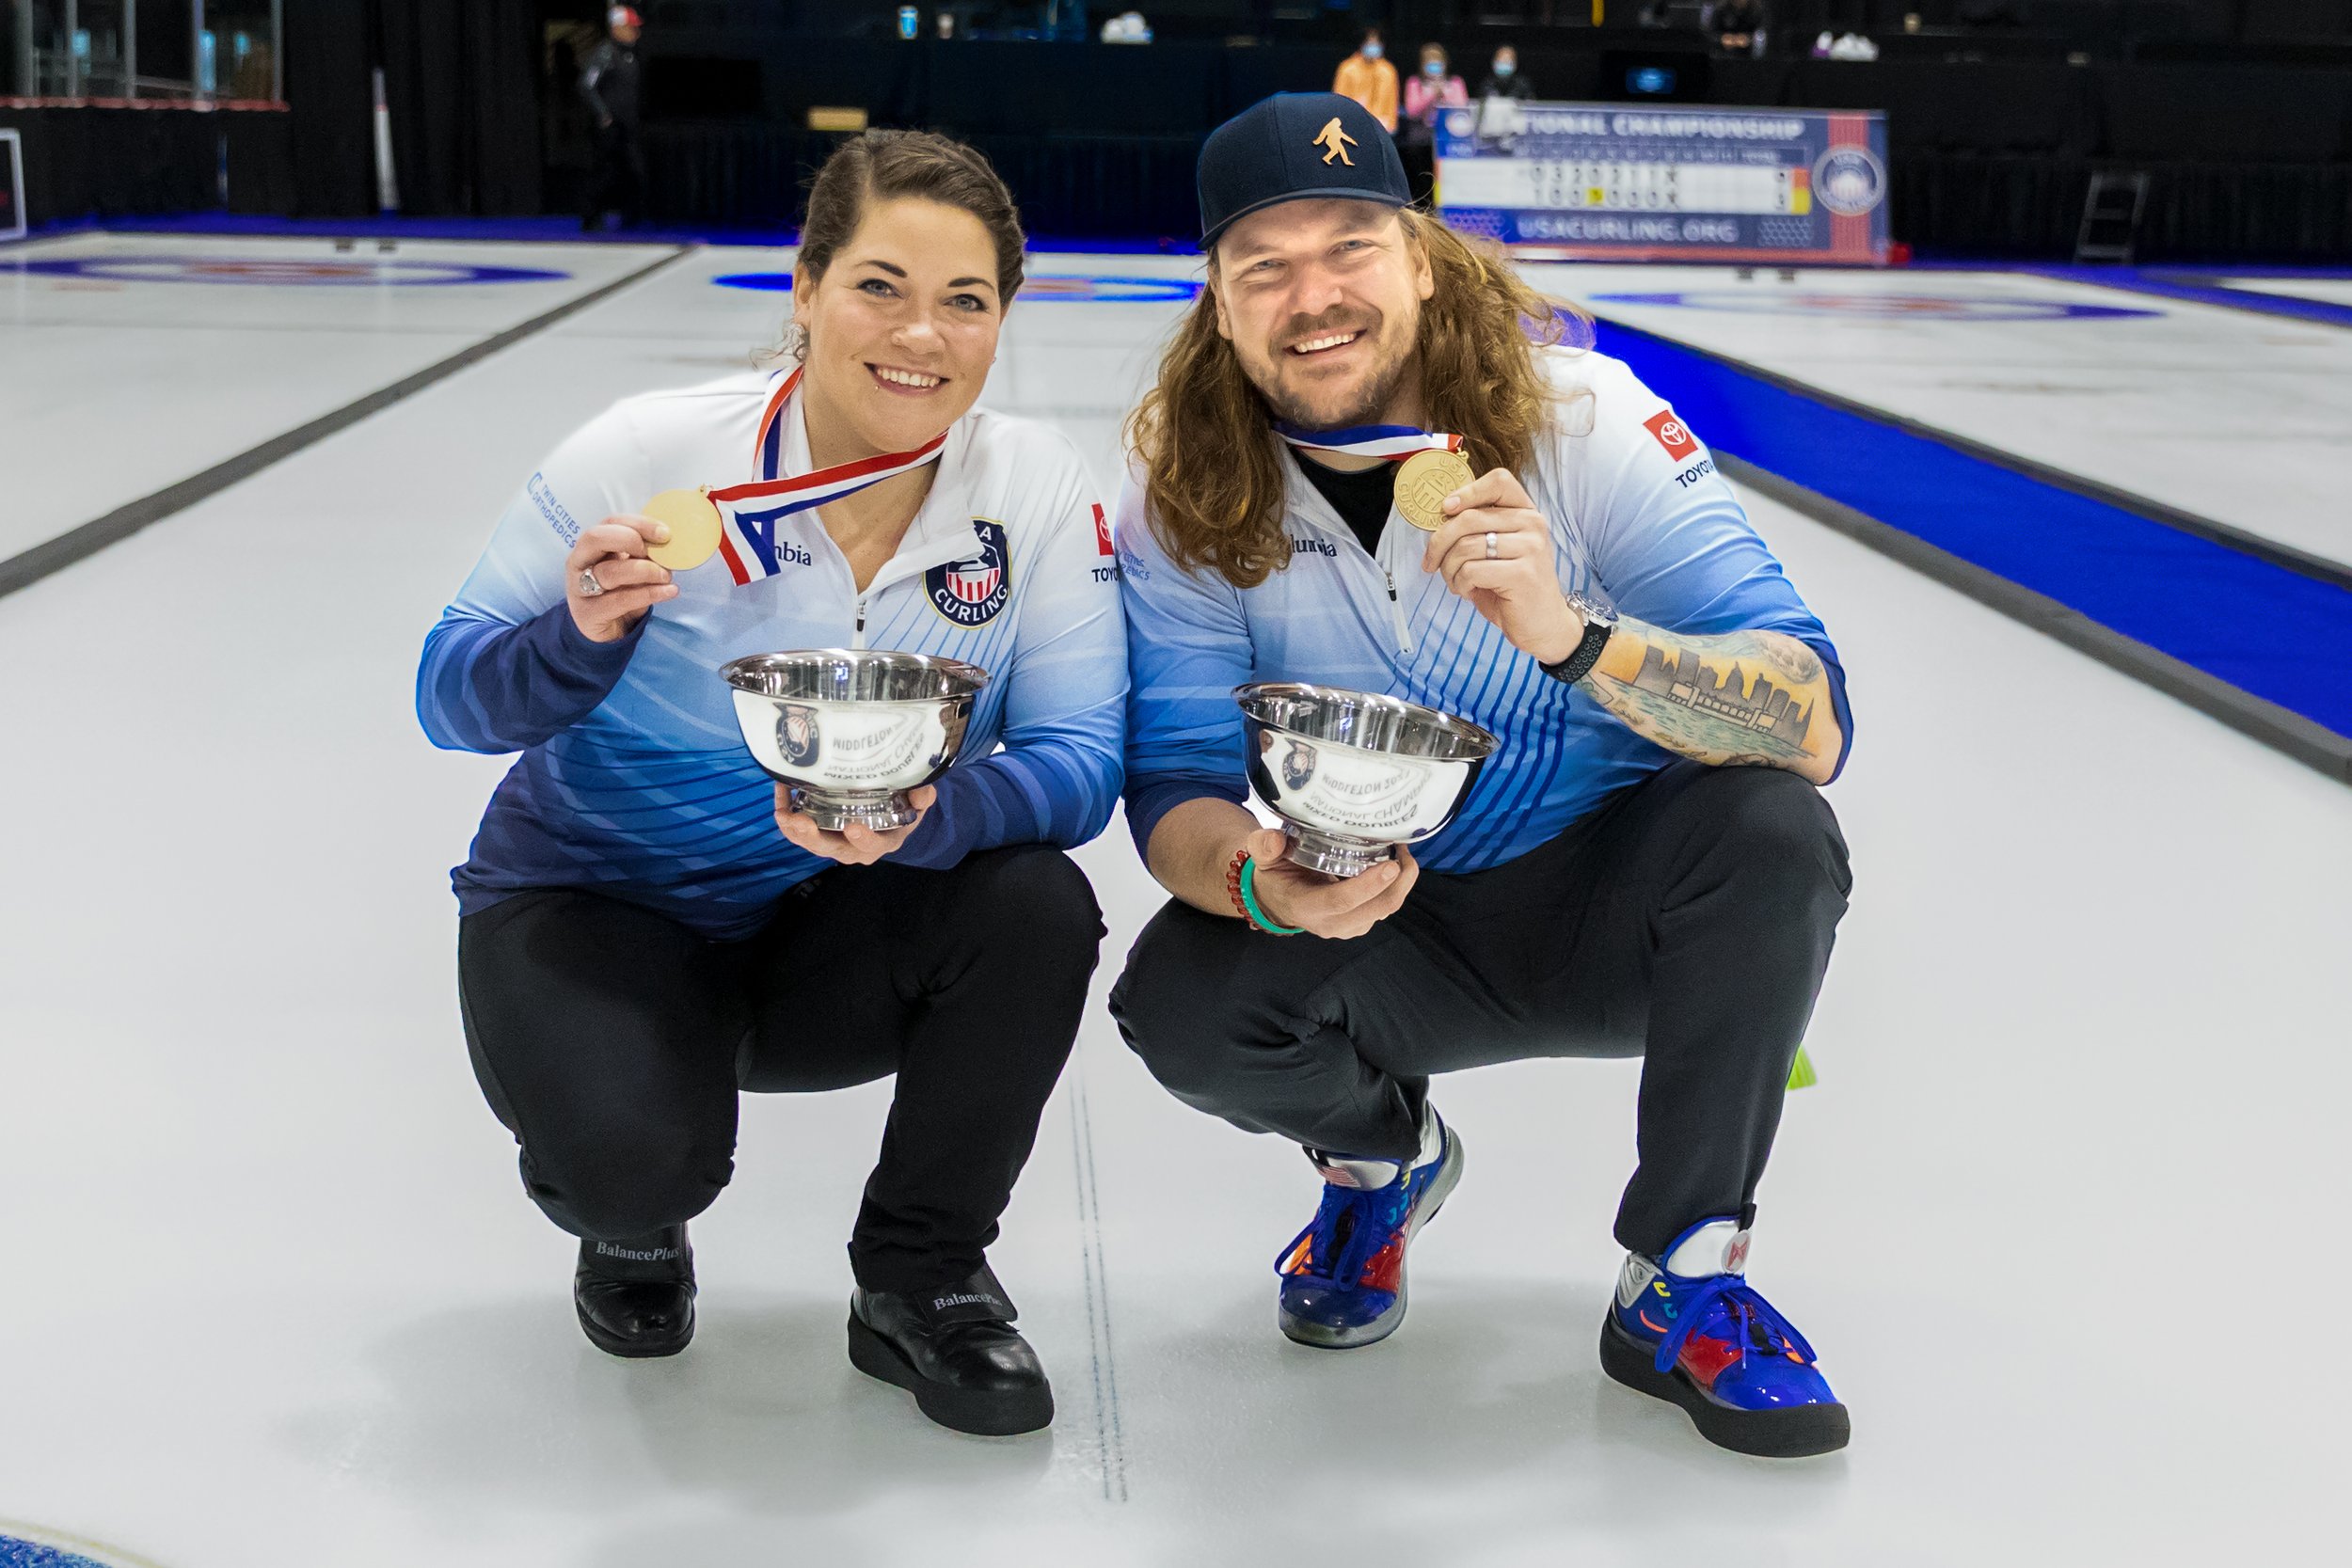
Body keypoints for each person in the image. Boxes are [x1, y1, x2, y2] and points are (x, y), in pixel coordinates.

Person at [1108, 92, 1856, 1459]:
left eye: (1350, 246)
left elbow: (1813, 718)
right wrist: (1257, 880)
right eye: (1265, 264)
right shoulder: (1189, 497)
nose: (1313, 295)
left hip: (1622, 912)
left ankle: (1682, 1273)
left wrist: (1576, 639)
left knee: (1772, 827)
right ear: (1218, 301)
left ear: (1426, 257)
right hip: (1390, 915)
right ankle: (1381, 1161)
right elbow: (1170, 784)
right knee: (1180, 997)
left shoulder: (1586, 419)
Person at [418, 131, 1126, 1437]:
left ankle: (922, 1279)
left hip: (842, 919)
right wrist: (574, 642)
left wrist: (934, 814)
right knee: (633, 1166)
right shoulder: (651, 450)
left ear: (1002, 321)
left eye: (964, 300)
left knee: (1037, 901)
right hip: (598, 900)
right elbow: (447, 694)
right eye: (878, 285)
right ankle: (631, 1217)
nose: (920, 333)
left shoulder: (1029, 486)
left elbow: (1083, 768)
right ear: (802, 289)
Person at [579, 6, 645, 230]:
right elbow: (586, 86)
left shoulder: (629, 56)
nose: (636, 33)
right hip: (610, 128)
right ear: (617, 29)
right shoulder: (605, 53)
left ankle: (631, 218)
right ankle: (591, 217)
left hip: (628, 126)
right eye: (631, 28)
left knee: (633, 171)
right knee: (604, 172)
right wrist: (603, 113)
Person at [1398, 42, 1469, 203]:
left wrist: (1444, 94)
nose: (1434, 66)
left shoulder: (1455, 83)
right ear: (1423, 64)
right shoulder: (1414, 83)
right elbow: (1412, 110)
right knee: (1422, 180)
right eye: (1430, 62)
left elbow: (1462, 109)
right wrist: (1431, 95)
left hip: (1449, 140)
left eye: (1437, 62)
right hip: (1422, 140)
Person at [1331, 28, 1398, 134]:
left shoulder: (1387, 70)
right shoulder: (1347, 68)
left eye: (1377, 44)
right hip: (1352, 125)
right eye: (1370, 43)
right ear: (1362, 44)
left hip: (1382, 127)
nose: (1373, 47)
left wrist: (1390, 125)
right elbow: (1338, 100)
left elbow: (1392, 101)